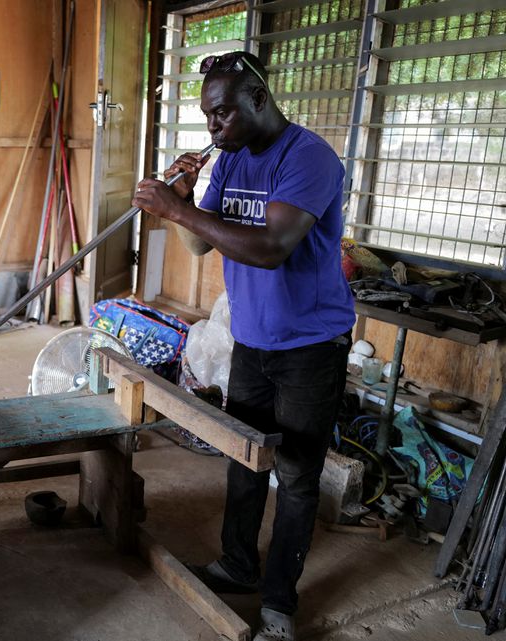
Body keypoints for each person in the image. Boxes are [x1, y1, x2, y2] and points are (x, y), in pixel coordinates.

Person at [132, 51, 355, 641]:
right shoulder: (229, 158)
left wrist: (178, 208)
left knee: (297, 474)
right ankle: (237, 563)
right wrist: (184, 198)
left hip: (311, 344)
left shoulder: (308, 158)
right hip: (250, 336)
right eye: (208, 117)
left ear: (259, 99)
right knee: (242, 456)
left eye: (222, 115)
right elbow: (203, 248)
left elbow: (270, 246)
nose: (213, 129)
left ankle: (279, 602)